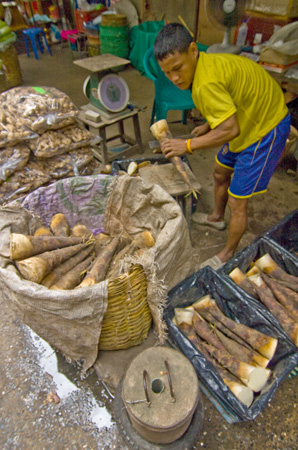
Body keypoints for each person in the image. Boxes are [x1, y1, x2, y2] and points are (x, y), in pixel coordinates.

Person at [153, 23, 291, 269]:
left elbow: (230, 129)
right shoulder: (204, 65)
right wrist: (208, 125)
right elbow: (228, 97)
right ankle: (216, 217)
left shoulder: (205, 84)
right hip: (246, 117)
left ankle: (227, 254)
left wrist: (188, 144)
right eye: (167, 73)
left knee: (238, 201)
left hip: (265, 128)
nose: (174, 78)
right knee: (219, 171)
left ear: (193, 50)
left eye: (178, 68)